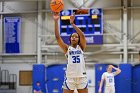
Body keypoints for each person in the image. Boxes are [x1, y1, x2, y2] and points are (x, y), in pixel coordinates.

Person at [53, 12, 88, 93]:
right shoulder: (67, 48)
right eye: (72, 36)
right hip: (70, 78)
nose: (74, 37)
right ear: (70, 39)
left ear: (78, 40)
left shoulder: (81, 47)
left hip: (81, 77)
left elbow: (82, 36)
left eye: (76, 36)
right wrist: (55, 21)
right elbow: (57, 37)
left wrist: (72, 24)